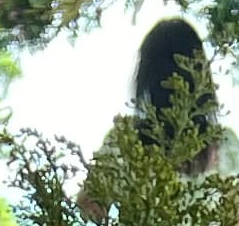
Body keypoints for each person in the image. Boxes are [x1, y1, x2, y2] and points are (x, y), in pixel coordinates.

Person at [83, 15, 227, 215]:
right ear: (201, 71)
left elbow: (90, 207)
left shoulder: (124, 138)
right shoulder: (222, 142)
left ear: (146, 75)